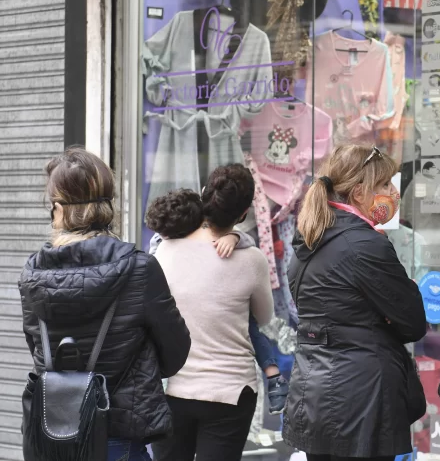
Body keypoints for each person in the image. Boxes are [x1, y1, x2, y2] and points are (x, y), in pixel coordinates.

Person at [18, 147, 191, 461]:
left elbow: (40, 351)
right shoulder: (140, 268)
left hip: (54, 436)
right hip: (119, 435)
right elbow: (176, 353)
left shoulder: (33, 275)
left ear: (58, 209)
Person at [283, 144, 427, 461]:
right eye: (384, 184)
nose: (393, 191)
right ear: (360, 192)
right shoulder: (365, 244)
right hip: (362, 401)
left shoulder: (310, 241)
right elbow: (413, 322)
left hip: (315, 394)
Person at [150, 163, 274, 461]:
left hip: (172, 389)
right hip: (230, 392)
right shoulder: (252, 260)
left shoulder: (163, 250)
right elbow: (265, 317)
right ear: (243, 214)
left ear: (205, 196)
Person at [146, 190, 289, 415]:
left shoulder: (164, 247)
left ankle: (273, 375)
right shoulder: (161, 248)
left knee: (248, 321)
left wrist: (235, 237)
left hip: (197, 376)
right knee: (249, 321)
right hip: (198, 370)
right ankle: (273, 374)